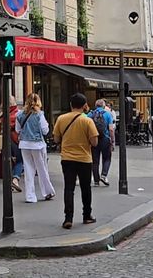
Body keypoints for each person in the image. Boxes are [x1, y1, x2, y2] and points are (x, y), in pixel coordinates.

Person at [53, 93, 98, 229]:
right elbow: (95, 142)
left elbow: (56, 139)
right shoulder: (87, 121)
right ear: (84, 105)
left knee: (69, 188)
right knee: (86, 188)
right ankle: (87, 215)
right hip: (84, 158)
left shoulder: (61, 119)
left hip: (67, 158)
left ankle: (68, 218)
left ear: (71, 105)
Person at [15, 93, 56, 203]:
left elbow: (17, 130)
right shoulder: (39, 114)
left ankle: (30, 196)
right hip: (37, 144)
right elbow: (45, 130)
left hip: (24, 144)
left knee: (28, 169)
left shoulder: (20, 115)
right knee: (42, 169)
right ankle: (47, 191)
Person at [88, 99, 115, 186]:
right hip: (105, 138)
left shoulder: (90, 114)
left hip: (93, 139)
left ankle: (96, 180)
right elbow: (111, 129)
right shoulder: (108, 114)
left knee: (95, 160)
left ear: (96, 106)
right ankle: (104, 175)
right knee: (107, 158)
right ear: (104, 106)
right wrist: (113, 141)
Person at [9, 96, 24, 193]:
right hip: (16, 140)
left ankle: (10, 181)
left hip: (6, 140)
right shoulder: (18, 114)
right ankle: (15, 179)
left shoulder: (2, 115)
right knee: (20, 161)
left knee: (8, 161)